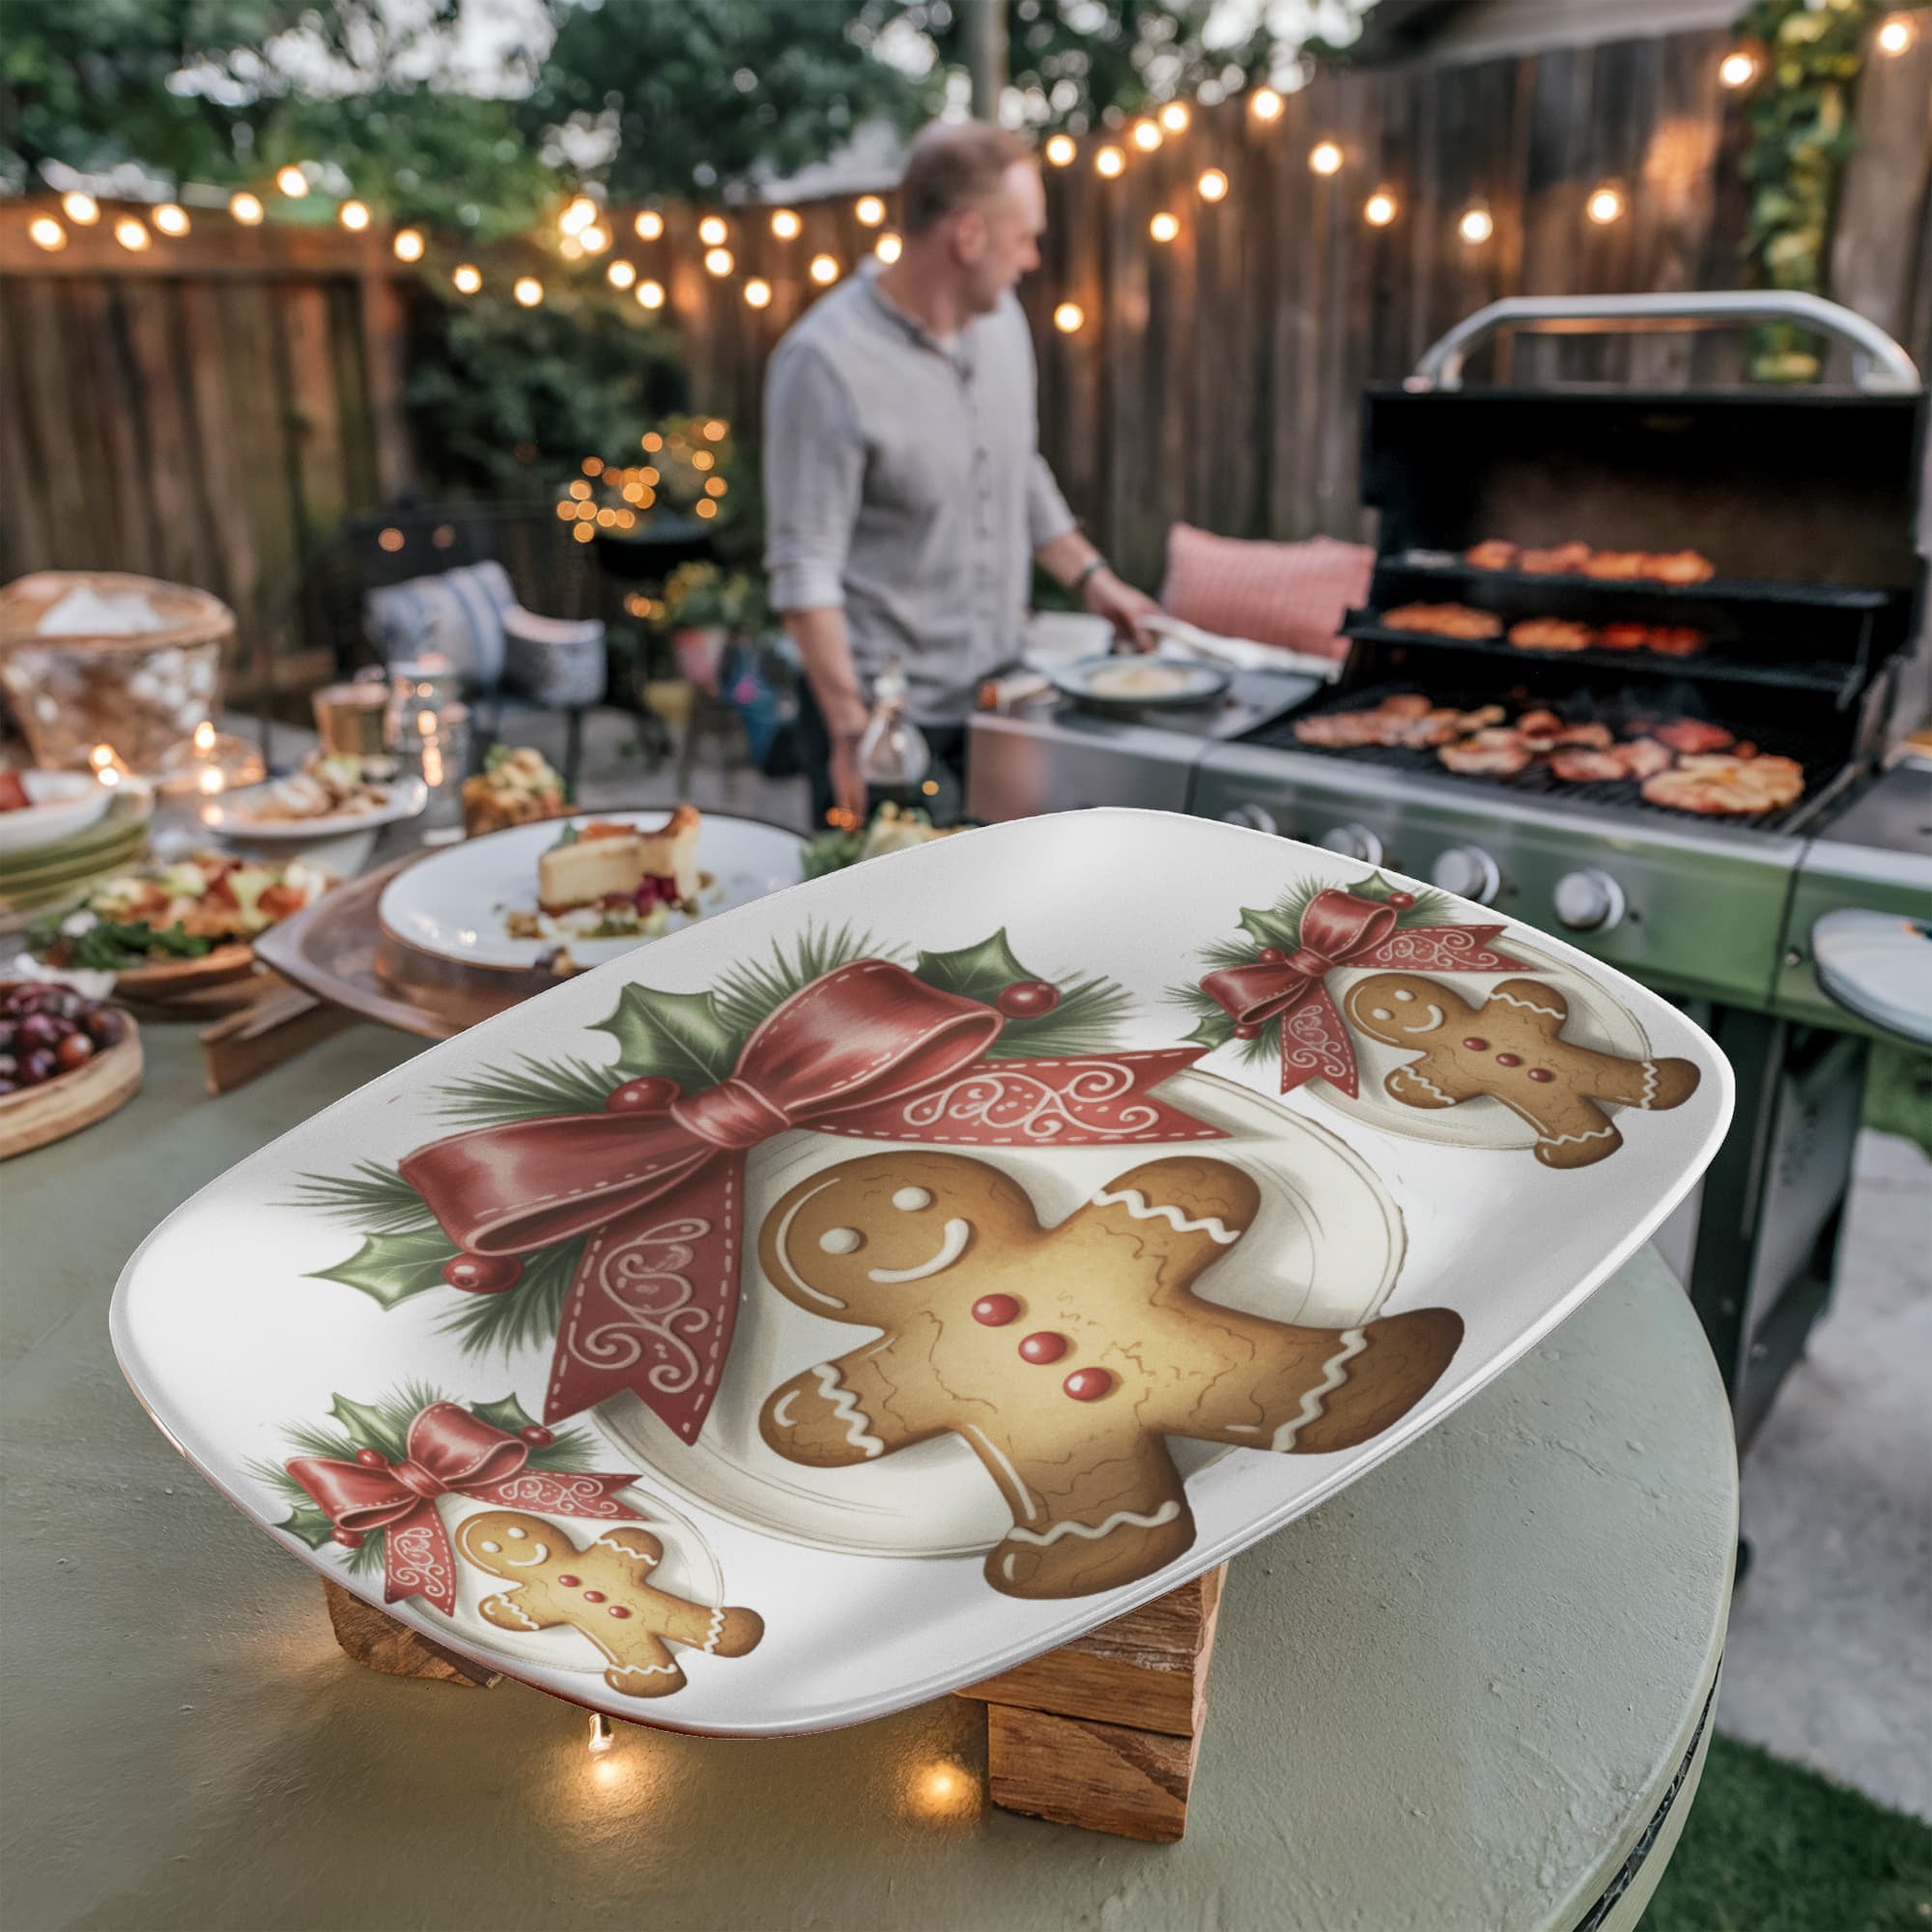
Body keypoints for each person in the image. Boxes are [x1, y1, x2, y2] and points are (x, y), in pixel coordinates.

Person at [763, 119, 1160, 826]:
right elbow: (804, 571)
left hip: (998, 706)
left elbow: (1016, 466)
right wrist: (852, 734)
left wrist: (1094, 579)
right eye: (1024, 237)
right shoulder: (824, 363)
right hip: (884, 728)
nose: (1032, 258)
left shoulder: (1004, 323)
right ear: (968, 235)